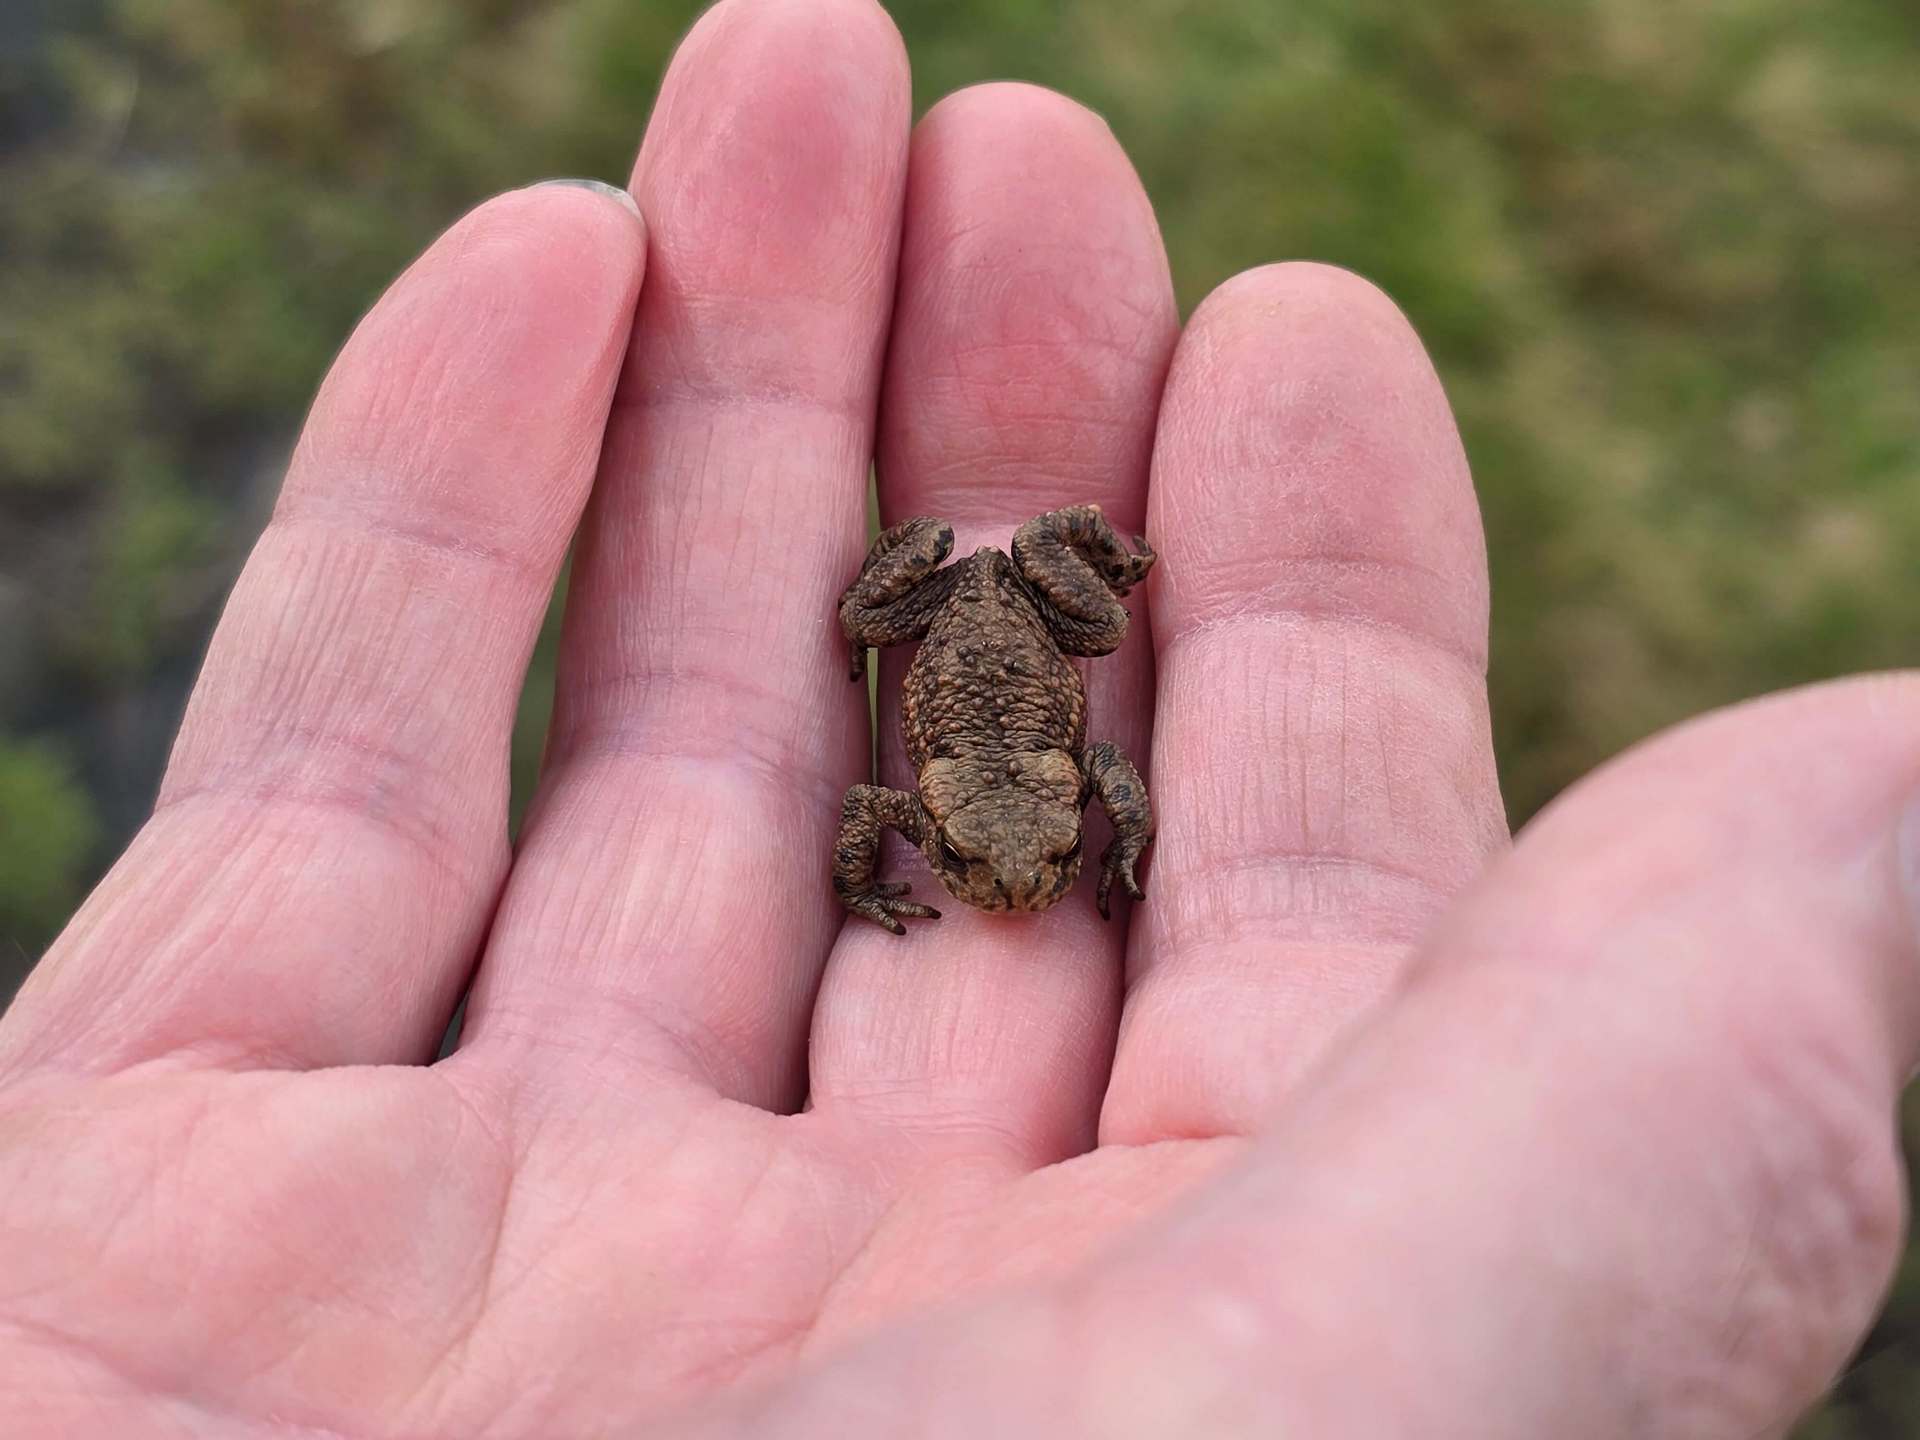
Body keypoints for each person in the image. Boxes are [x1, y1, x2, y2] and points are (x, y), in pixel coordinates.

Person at [2, 1, 1912, 1434]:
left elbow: (1107, 777)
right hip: (960, 628)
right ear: (978, 826)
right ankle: (955, 581)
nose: (1018, 875)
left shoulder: (1040, 792)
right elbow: (882, 828)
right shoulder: (951, 802)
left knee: (1091, 565)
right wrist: (907, 803)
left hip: (1007, 623)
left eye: (1032, 861)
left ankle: (1050, 559)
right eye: (1011, 860)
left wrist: (1095, 820)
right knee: (892, 577)